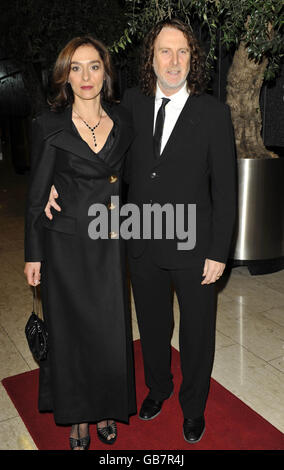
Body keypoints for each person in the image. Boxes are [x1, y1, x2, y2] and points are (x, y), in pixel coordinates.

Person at [46, 19, 237, 444]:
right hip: (142, 240)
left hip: (194, 244)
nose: (174, 61)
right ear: (150, 58)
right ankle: (159, 389)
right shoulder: (129, 104)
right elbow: (91, 147)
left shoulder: (213, 113)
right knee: (151, 327)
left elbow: (226, 190)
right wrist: (52, 185)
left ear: (193, 59)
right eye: (165, 52)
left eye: (183, 52)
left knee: (197, 334)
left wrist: (219, 252)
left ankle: (192, 408)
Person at [24, 36, 136, 450]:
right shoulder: (47, 126)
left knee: (109, 332)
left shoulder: (125, 121)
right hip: (65, 246)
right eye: (76, 67)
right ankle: (79, 421)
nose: (86, 76)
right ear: (64, 76)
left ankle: (108, 408)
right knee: (72, 335)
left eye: (94, 66)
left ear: (106, 72)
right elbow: (37, 196)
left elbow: (140, 178)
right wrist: (33, 254)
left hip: (109, 243)